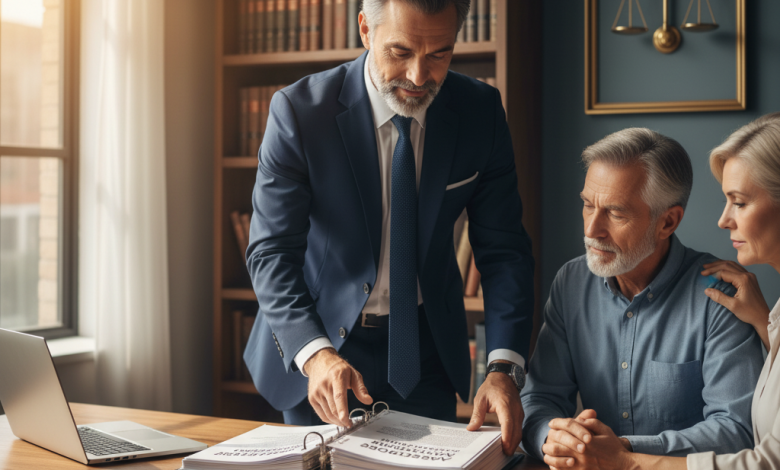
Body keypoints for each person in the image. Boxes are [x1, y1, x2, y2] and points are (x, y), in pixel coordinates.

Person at [242, 0, 535, 455]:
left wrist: (503, 368)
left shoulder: (480, 111)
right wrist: (315, 354)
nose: (419, 77)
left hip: (423, 352)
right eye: (400, 52)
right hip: (321, 345)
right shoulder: (300, 112)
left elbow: (504, 253)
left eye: (439, 54)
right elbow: (271, 252)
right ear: (365, 29)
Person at [540, 113, 780, 470]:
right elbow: (539, 397)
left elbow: (743, 438)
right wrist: (555, 438)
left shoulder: (723, 295)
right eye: (588, 205)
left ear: (668, 221)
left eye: (615, 213)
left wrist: (618, 452)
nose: (592, 229)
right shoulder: (571, 284)